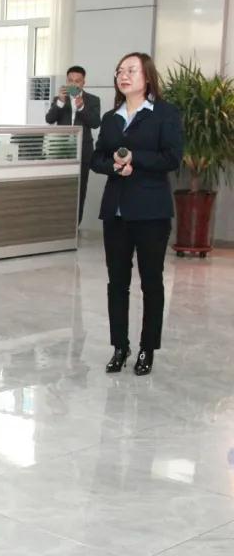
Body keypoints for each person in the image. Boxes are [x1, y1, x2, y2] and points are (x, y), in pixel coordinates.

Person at [91, 52, 183, 376]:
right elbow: (97, 159)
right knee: (117, 282)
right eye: (119, 71)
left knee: (151, 282)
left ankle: (147, 348)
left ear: (148, 76)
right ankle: (120, 346)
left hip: (151, 212)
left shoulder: (164, 114)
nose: (123, 75)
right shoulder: (111, 118)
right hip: (116, 212)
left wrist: (135, 159)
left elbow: (172, 157)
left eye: (131, 70)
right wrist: (114, 166)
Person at [46, 65, 101, 223]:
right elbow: (49, 119)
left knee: (80, 189)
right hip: (60, 150)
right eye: (70, 80)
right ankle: (59, 224)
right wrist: (60, 102)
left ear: (83, 82)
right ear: (66, 81)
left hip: (83, 150)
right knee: (60, 188)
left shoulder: (93, 100)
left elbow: (95, 123)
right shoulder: (59, 99)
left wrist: (82, 107)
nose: (73, 84)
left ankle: (75, 226)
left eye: (77, 81)